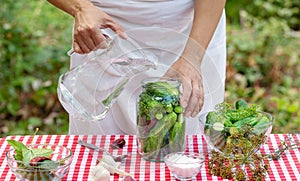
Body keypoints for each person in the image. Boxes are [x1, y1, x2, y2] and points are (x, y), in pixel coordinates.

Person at [47, 0, 227, 135]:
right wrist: (79, 8)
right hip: (102, 32)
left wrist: (192, 56)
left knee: (186, 153)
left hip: (193, 31)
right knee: (99, 161)